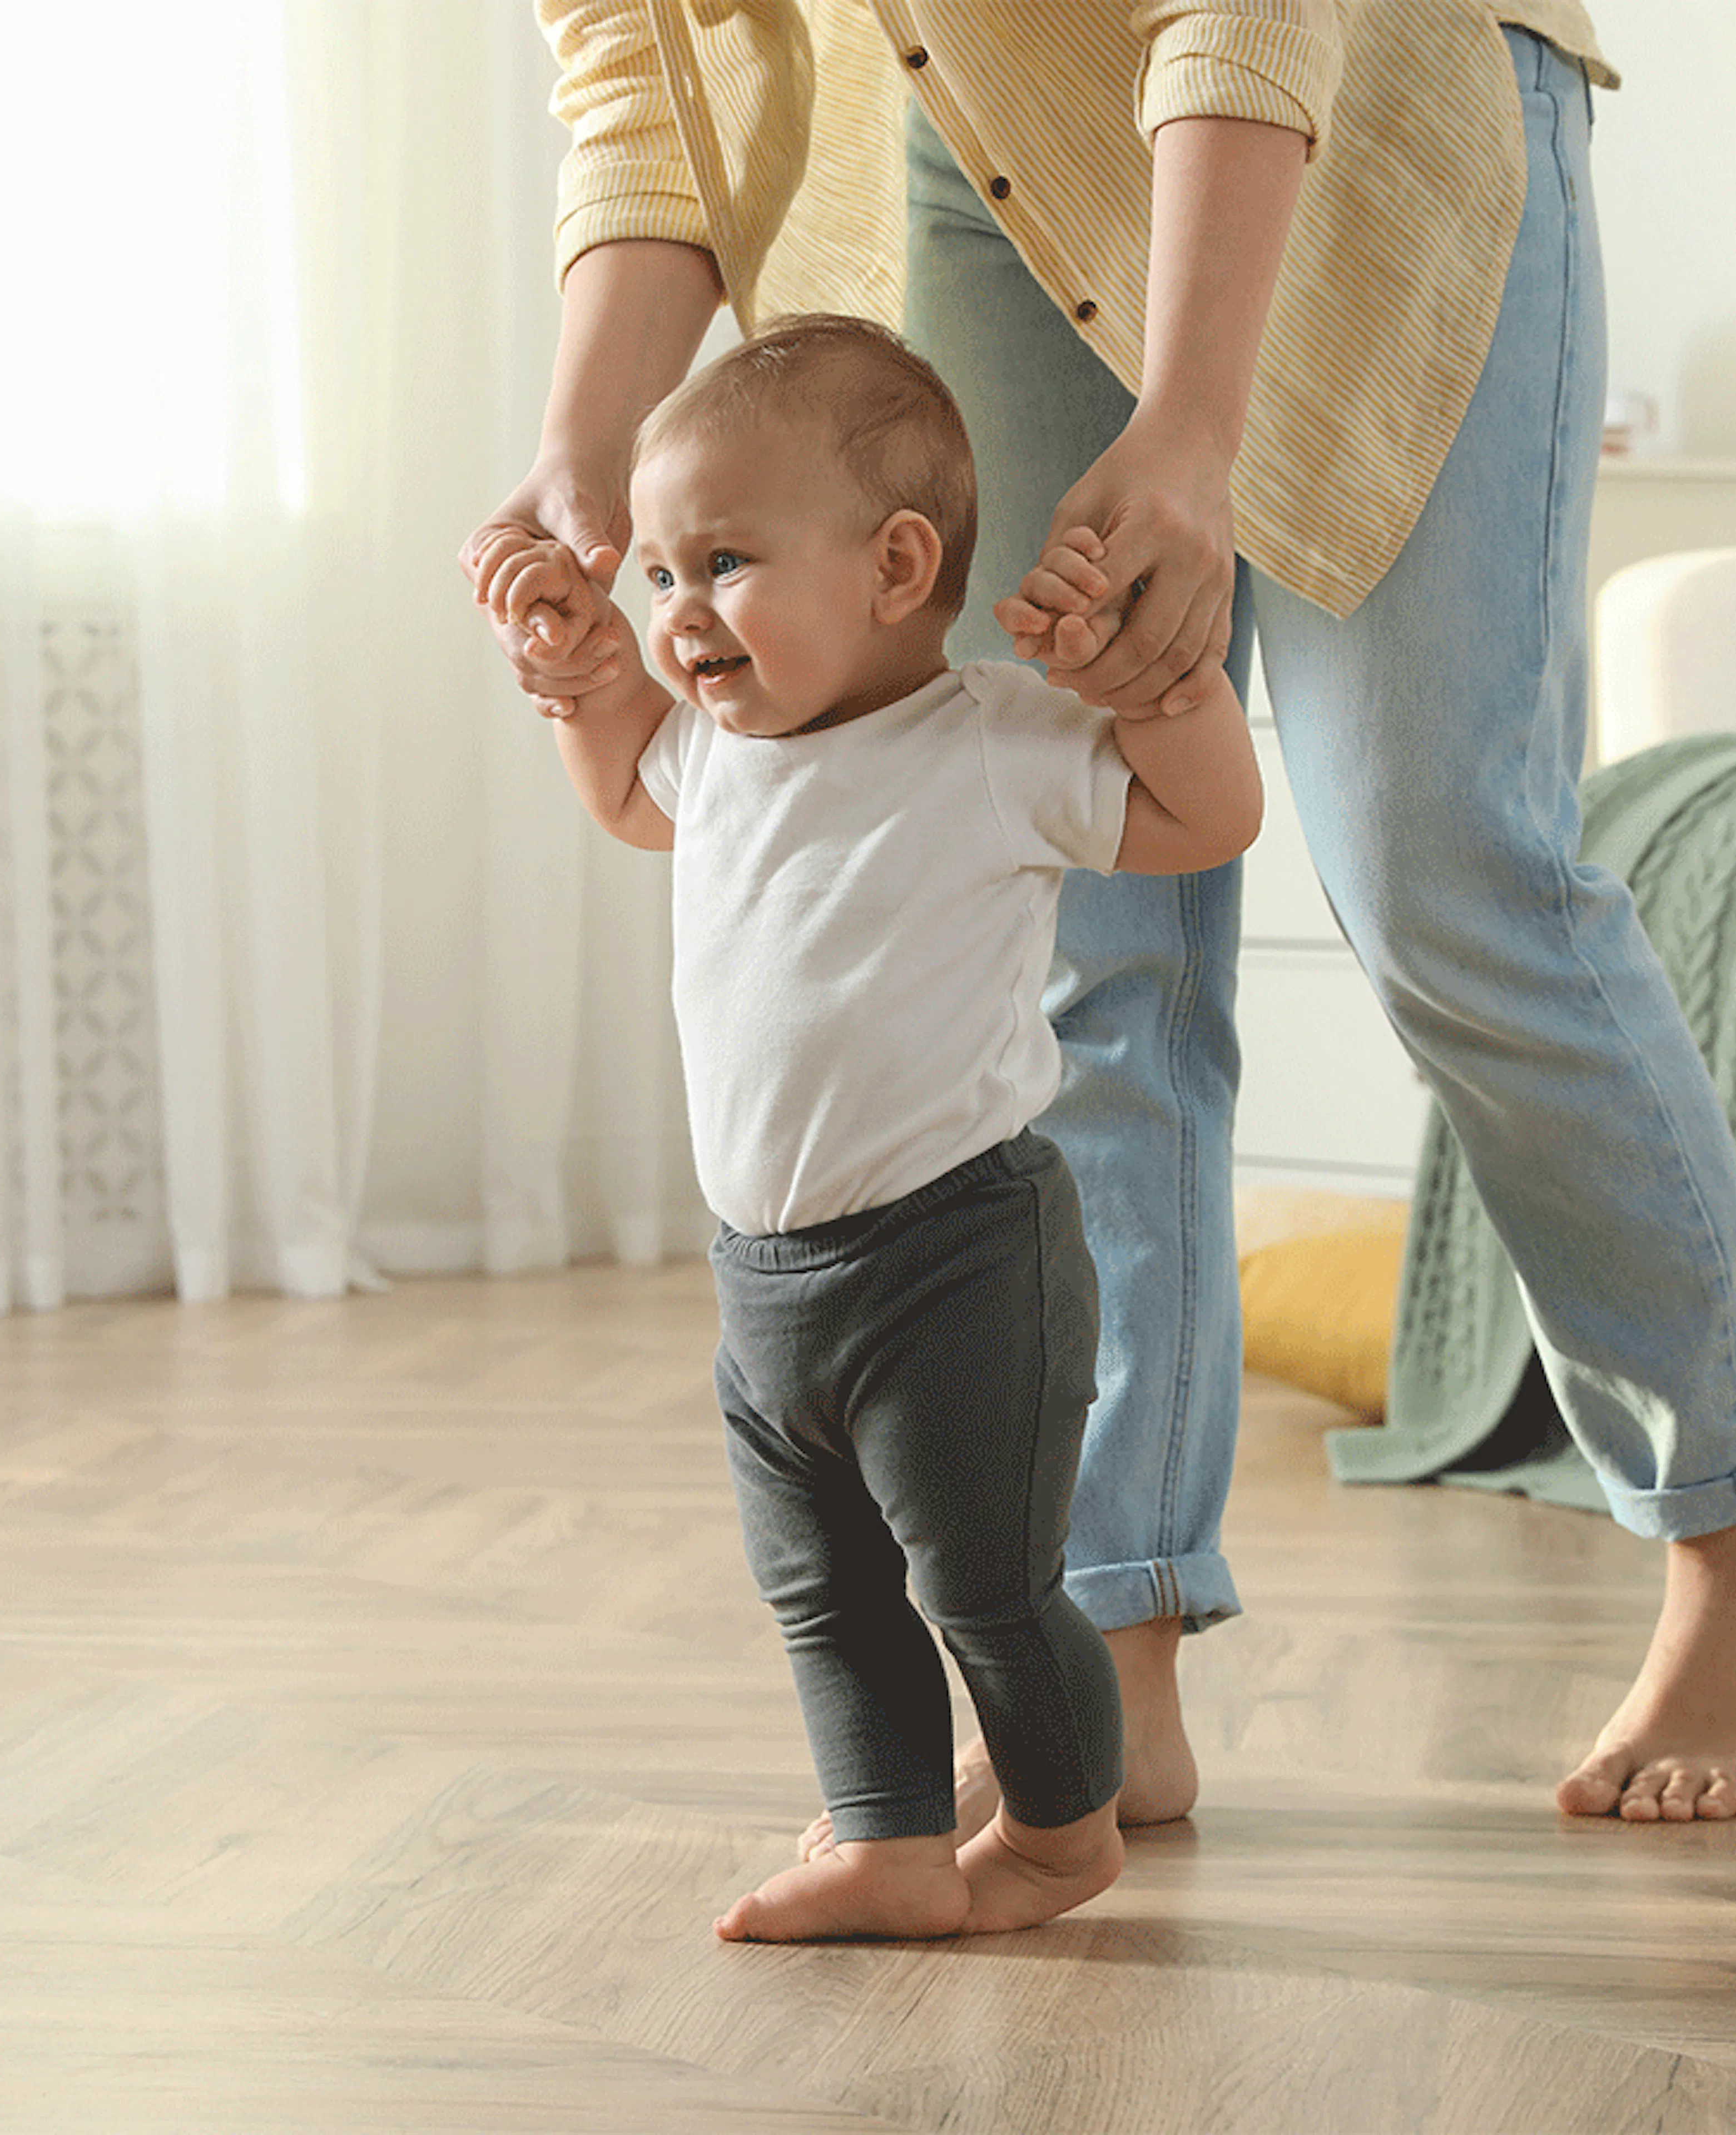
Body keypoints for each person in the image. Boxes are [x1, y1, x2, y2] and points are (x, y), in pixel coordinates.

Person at [466, 2, 1736, 1829]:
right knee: (1069, 937)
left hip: (1363, 88)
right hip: (971, 149)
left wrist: (1196, 423)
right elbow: (641, 67)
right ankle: (1107, 1624)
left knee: (1453, 881)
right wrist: (584, 448)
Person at [486, 313, 1262, 1940]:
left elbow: (1204, 814)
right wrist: (582, 679)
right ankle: (886, 1839)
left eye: (724, 564)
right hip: (765, 1282)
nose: (681, 615)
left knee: (981, 1584)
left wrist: (1165, 677)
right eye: (661, 581)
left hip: (958, 1257)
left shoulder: (994, 740)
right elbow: (629, 791)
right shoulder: (713, 753)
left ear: (899, 567)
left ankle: (1063, 1827)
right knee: (822, 1589)